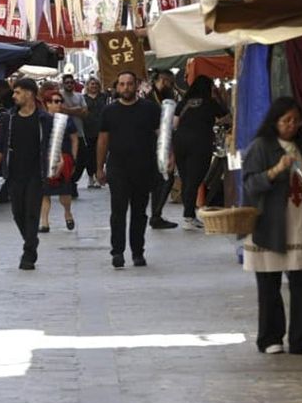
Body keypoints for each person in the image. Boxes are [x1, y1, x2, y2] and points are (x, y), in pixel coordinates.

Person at [239, 97, 302, 355]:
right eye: (286, 120)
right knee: (269, 287)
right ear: (274, 121)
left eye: (295, 121)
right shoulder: (261, 147)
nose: (291, 125)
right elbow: (250, 183)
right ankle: (269, 337)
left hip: (298, 222)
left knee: (301, 283)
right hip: (270, 225)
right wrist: (276, 170)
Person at [0, 78, 65, 269]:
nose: (14, 96)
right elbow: (1, 146)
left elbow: (53, 145)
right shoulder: (9, 118)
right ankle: (31, 240)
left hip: (36, 174)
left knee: (32, 212)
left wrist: (59, 160)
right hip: (13, 173)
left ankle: (28, 254)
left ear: (29, 93)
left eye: (18, 92)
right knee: (17, 213)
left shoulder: (44, 119)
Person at [94, 70, 162, 269]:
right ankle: (117, 252)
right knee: (118, 212)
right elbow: (103, 140)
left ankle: (138, 252)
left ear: (136, 85)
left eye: (129, 84)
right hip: (118, 168)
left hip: (144, 167)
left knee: (139, 213)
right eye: (122, 84)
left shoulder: (149, 109)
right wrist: (99, 168)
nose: (126, 88)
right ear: (116, 87)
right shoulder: (109, 111)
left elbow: (161, 134)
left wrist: (168, 155)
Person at [173, 76, 229, 230]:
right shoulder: (210, 103)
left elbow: (174, 124)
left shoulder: (183, 103)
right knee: (195, 180)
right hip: (200, 143)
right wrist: (218, 97)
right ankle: (189, 216)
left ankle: (188, 214)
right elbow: (226, 116)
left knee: (186, 179)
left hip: (180, 142)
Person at [38, 86, 82, 233]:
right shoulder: (42, 119)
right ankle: (44, 222)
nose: (58, 104)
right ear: (47, 103)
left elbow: (74, 139)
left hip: (64, 158)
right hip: (45, 158)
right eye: (55, 101)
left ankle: (68, 212)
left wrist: (73, 158)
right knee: (44, 192)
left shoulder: (66, 120)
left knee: (64, 191)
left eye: (60, 101)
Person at [147, 70, 180, 230]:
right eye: (169, 82)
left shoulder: (163, 96)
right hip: (156, 144)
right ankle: (156, 215)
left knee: (161, 180)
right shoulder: (151, 98)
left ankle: (156, 214)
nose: (171, 85)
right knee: (165, 179)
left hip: (160, 142)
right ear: (162, 80)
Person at [80, 77, 108, 188]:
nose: (94, 86)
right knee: (90, 154)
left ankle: (98, 174)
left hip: (101, 128)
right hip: (88, 128)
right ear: (87, 86)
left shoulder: (104, 97)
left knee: (100, 153)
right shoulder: (83, 98)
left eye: (96, 84)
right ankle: (90, 176)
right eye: (92, 84)